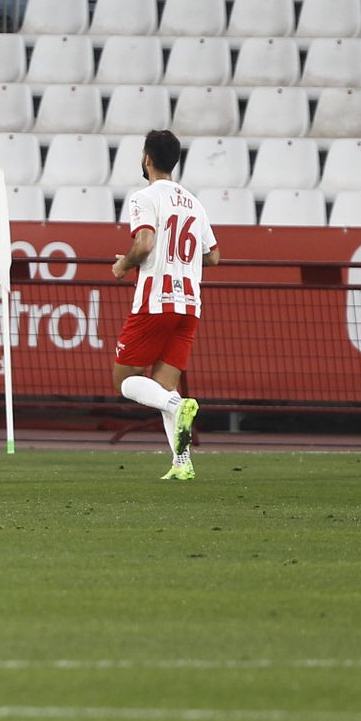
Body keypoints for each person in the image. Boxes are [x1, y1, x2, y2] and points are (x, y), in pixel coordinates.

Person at [111, 129, 220, 481]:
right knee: (162, 384)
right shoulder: (194, 203)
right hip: (189, 304)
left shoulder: (144, 197)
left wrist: (123, 264)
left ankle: (179, 406)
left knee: (125, 380)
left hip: (156, 300)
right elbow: (214, 255)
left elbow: (143, 245)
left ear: (146, 159)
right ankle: (182, 461)